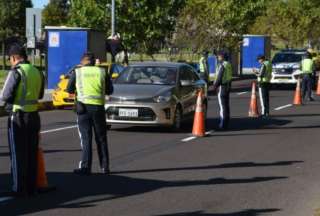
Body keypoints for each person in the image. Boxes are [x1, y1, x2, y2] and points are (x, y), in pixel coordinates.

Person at [0, 44, 44, 196]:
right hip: (34, 117)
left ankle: (19, 188)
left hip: (18, 117)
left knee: (18, 154)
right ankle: (31, 187)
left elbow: (4, 96)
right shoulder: (37, 71)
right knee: (31, 153)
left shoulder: (16, 72)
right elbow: (40, 95)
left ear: (13, 58)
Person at [66, 52, 113, 175]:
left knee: (86, 138)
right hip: (98, 108)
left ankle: (86, 167)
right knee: (101, 138)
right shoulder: (102, 72)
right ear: (93, 62)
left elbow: (69, 89)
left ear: (83, 62)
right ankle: (105, 167)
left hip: (83, 109)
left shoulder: (78, 72)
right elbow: (110, 90)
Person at [212, 51, 232, 130]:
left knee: (222, 106)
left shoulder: (223, 65)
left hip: (222, 87)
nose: (218, 57)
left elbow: (220, 76)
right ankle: (226, 122)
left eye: (219, 56)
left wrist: (215, 86)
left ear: (223, 57)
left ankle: (222, 124)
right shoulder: (228, 64)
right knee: (226, 106)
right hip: (228, 86)